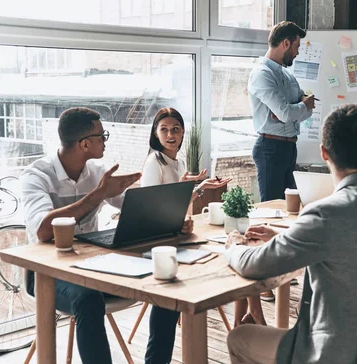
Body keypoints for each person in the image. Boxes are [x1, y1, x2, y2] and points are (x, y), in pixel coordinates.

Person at [225, 104, 357, 364]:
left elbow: (254, 265)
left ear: (324, 153)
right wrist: (288, 238)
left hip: (337, 353)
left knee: (239, 338)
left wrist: (233, 245)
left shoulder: (325, 214)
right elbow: (348, 250)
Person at [19, 107, 150, 364]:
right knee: (88, 299)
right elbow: (44, 230)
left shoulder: (97, 172)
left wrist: (182, 198)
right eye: (103, 136)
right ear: (85, 143)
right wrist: (99, 194)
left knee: (165, 274)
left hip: (93, 266)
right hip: (47, 274)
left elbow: (132, 206)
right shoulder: (37, 176)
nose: (105, 141)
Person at [140, 107, 230, 364]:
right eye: (164, 129)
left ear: (182, 134)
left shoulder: (176, 162)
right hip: (157, 242)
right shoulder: (153, 162)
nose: (170, 134)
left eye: (176, 129)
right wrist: (195, 189)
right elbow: (153, 209)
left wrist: (197, 188)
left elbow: (176, 205)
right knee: (172, 298)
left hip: (173, 235)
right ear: (155, 134)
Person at [247, 20, 315, 305]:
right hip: (270, 148)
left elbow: (296, 110)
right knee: (268, 214)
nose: (298, 53)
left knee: (288, 214)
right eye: (296, 46)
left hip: (288, 148)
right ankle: (261, 280)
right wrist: (299, 108)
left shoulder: (287, 76)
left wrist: (295, 109)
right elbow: (290, 112)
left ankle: (281, 269)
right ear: (285, 43)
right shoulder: (262, 74)